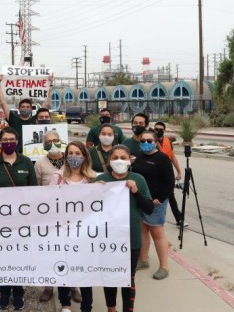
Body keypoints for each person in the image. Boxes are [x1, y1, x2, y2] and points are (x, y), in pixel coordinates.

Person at [0, 127, 37, 311]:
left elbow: (33, 191)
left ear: (17, 141)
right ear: (0, 142)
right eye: (5, 140)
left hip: (21, 222)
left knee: (19, 256)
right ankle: (4, 293)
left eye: (12, 139)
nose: (8, 142)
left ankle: (18, 293)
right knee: (2, 258)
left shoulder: (26, 162)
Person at [97, 145, 154, 312]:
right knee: (110, 276)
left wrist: (136, 191)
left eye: (123, 157)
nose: (119, 161)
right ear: (109, 160)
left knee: (128, 278)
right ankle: (111, 309)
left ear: (130, 160)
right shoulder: (101, 180)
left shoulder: (138, 179)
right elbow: (88, 211)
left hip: (131, 239)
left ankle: (128, 309)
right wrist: (94, 192)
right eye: (115, 158)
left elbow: (149, 208)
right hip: (107, 239)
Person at [34, 131, 82, 305]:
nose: (53, 143)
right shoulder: (40, 163)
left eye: (56, 140)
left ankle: (74, 286)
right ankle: (49, 287)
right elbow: (38, 189)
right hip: (51, 216)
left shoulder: (71, 159)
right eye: (49, 141)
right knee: (51, 253)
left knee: (72, 252)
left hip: (73, 217)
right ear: (44, 144)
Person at [48, 141, 96, 312]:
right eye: (71, 153)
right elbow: (49, 203)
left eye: (78, 153)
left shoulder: (93, 178)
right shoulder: (58, 177)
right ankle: (65, 304)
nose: (74, 157)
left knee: (85, 270)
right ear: (66, 156)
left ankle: (86, 306)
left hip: (85, 234)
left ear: (84, 156)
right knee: (63, 267)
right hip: (63, 232)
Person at [132, 130, 175, 281]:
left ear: (156, 142)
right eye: (143, 140)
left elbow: (170, 182)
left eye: (149, 141)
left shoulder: (162, 159)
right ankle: (143, 260)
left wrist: (160, 198)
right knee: (143, 229)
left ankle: (164, 266)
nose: (145, 143)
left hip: (156, 202)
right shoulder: (137, 157)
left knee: (157, 232)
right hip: (140, 199)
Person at [0, 74, 53, 153]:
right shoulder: (13, 119)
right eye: (23, 107)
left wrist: (51, 84)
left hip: (34, 154)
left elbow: (47, 103)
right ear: (19, 108)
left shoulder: (35, 119)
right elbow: (3, 102)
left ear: (31, 109)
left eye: (27, 107)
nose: (25, 108)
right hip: (17, 156)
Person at [154, 121, 186, 226]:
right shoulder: (151, 142)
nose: (158, 131)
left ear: (164, 130)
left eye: (160, 129)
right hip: (156, 173)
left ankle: (179, 219)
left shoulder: (167, 141)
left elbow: (173, 157)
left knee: (171, 195)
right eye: (156, 129)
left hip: (168, 172)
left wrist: (179, 171)